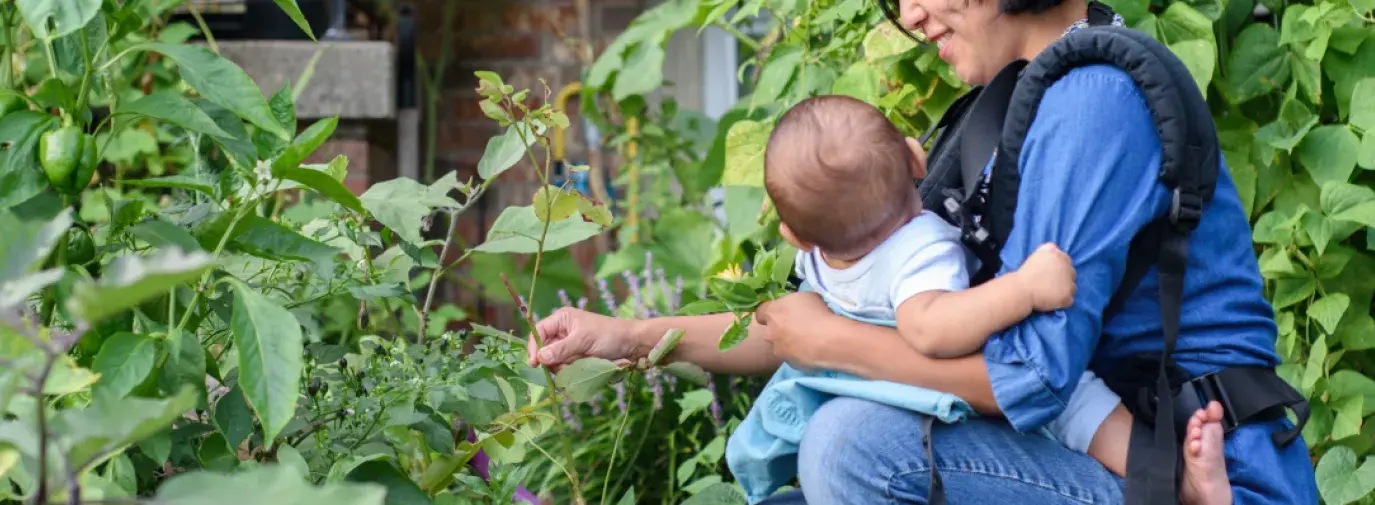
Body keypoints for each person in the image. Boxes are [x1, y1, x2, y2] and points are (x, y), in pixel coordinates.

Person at [526, 0, 1319, 502]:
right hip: (1103, 455)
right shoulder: (1006, 104)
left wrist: (836, 343)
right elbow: (841, 317)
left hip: (1190, 472)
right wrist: (624, 338)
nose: (908, 14)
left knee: (853, 443)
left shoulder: (1093, 103)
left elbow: (1030, 379)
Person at [721, 93, 1229, 504]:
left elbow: (788, 331)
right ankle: (1177, 481)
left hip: (932, 398)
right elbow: (930, 327)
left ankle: (1175, 488)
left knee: (1071, 405)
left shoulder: (823, 260)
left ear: (793, 236)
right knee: (1081, 406)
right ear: (916, 157)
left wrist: (654, 338)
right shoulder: (918, 247)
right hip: (963, 382)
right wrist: (1024, 288)